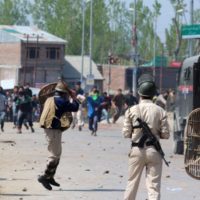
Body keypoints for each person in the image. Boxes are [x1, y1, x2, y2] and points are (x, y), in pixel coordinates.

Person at [122, 77, 170, 200]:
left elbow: (126, 134)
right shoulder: (161, 111)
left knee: (132, 183)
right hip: (154, 151)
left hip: (136, 151)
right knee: (153, 186)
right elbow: (166, 135)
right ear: (153, 94)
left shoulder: (131, 110)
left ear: (139, 93)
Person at [38, 80, 80, 190]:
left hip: (51, 128)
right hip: (53, 130)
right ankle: (45, 177)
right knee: (54, 155)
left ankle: (50, 177)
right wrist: (74, 97)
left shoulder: (49, 99)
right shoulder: (61, 101)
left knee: (57, 154)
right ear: (64, 93)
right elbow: (75, 107)